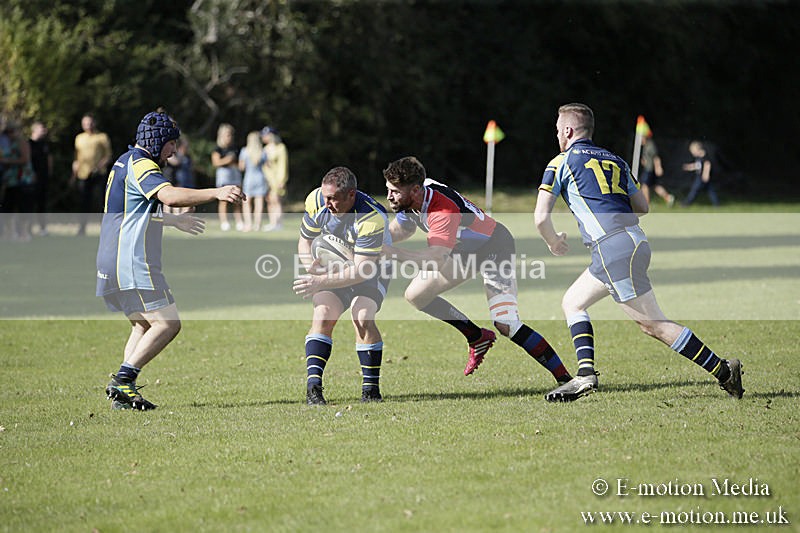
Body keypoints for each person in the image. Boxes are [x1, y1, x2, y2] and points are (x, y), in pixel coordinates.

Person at [533, 103, 743, 402]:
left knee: (653, 324)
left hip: (611, 248)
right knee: (573, 302)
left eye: (557, 130)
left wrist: (553, 241)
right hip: (633, 242)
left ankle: (723, 371)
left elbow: (541, 218)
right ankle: (585, 373)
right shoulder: (615, 159)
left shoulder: (561, 162)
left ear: (567, 130)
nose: (556, 135)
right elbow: (643, 206)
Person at [97, 111, 245, 410]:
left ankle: (124, 395)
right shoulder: (142, 164)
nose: (174, 151)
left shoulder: (124, 161)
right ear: (157, 141)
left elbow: (132, 211)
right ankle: (123, 381)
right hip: (131, 260)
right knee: (168, 324)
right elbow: (170, 196)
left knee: (143, 326)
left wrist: (173, 222)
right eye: (171, 144)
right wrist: (217, 192)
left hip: (111, 258)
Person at [382, 156, 572, 385]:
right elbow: (402, 229)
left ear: (415, 190)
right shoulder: (412, 198)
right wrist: (369, 239)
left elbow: (435, 258)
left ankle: (566, 379)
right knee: (416, 295)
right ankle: (477, 337)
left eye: (394, 191)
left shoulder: (442, 210)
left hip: (494, 247)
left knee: (506, 323)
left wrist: (390, 252)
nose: (389, 196)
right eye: (388, 189)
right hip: (465, 251)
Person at [293, 166, 392, 405]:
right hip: (332, 267)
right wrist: (312, 268)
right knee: (323, 313)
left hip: (371, 269)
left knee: (362, 316)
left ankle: (371, 391)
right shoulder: (317, 200)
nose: (327, 203)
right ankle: (313, 390)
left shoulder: (371, 217)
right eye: (325, 196)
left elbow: (362, 270)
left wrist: (320, 281)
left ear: (351, 194)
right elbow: (305, 241)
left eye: (333, 198)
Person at [72, 113, 112, 236]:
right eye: (85, 123)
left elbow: (108, 155)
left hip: (98, 174)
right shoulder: (79, 138)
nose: (88, 125)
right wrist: (73, 174)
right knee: (84, 202)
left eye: (90, 123)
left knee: (101, 201)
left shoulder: (102, 137)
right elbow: (77, 157)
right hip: (83, 175)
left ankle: (104, 228)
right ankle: (82, 228)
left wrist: (99, 166)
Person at [0, 120, 37, 242]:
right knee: (7, 208)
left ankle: (24, 234)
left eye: (12, 131)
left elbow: (25, 159)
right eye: (7, 132)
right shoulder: (8, 144)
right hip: (11, 181)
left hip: (23, 180)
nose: (9, 134)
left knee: (23, 208)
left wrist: (7, 161)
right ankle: (10, 233)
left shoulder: (21, 142)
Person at [211, 123, 244, 231]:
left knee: (237, 198)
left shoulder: (234, 148)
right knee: (223, 200)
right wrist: (227, 160)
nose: (230, 137)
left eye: (231, 135)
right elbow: (216, 162)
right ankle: (224, 222)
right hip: (224, 176)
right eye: (228, 135)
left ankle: (239, 221)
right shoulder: (218, 149)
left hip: (235, 174)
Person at [238, 131, 267, 231]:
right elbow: (267, 166)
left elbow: (241, 167)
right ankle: (257, 224)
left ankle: (248, 224)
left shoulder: (244, 151)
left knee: (246, 202)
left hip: (249, 178)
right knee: (259, 203)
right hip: (260, 178)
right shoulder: (262, 152)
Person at [261, 126, 288, 232]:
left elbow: (283, 164)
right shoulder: (265, 149)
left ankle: (278, 223)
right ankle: (272, 222)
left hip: (277, 179)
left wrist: (282, 180)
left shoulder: (281, 147)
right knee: (270, 201)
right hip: (267, 179)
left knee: (276, 200)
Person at [29, 121, 53, 235]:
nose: (44, 131)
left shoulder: (44, 144)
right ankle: (28, 228)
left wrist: (49, 172)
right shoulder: (28, 144)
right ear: (34, 130)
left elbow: (49, 158)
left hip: (43, 178)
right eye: (41, 129)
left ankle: (42, 228)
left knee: (42, 204)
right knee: (29, 204)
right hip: (30, 179)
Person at [638, 134, 675, 207]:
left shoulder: (650, 146)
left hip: (650, 169)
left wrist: (658, 167)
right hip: (648, 168)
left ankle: (646, 203)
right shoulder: (645, 146)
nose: (640, 140)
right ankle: (668, 198)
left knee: (644, 185)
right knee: (655, 186)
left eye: (641, 138)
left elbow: (656, 157)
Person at [681, 140, 719, 207]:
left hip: (702, 176)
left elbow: (707, 164)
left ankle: (687, 203)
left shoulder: (704, 155)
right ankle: (716, 204)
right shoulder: (699, 157)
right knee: (710, 190)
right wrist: (689, 167)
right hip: (701, 176)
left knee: (694, 189)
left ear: (698, 149)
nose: (692, 153)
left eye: (693, 151)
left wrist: (706, 174)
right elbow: (698, 165)